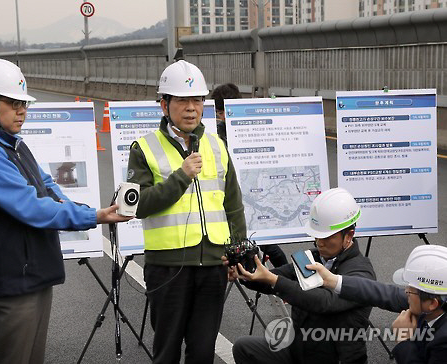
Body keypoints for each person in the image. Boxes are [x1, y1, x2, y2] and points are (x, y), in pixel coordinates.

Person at [0, 58, 132, 364]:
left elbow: (46, 186)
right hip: (6, 283)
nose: (22, 110)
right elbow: (31, 207)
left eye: (24, 103)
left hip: (26, 276)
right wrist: (93, 217)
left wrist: (82, 209)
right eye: (13, 103)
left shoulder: (10, 142)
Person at [127, 60, 246, 364]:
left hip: (213, 265)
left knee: (203, 352)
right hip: (167, 267)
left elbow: (232, 205)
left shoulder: (217, 145)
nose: (191, 108)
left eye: (197, 100)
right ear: (164, 105)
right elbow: (137, 206)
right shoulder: (144, 148)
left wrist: (237, 255)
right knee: (166, 351)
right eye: (182, 100)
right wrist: (181, 176)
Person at [227, 187, 376, 364]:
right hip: (299, 352)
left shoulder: (361, 273)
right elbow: (269, 278)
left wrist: (275, 280)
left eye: (326, 238)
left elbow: (323, 302)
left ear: (349, 236)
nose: (319, 243)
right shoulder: (312, 257)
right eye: (316, 237)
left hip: (336, 359)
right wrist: (245, 270)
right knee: (244, 348)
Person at [307, 244, 447, 364]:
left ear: (432, 304)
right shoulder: (433, 303)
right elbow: (382, 293)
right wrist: (332, 280)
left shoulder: (443, 342)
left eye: (411, 291)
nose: (406, 291)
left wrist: (404, 341)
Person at [211, 82, 287, 268]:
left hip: (241, 202)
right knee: (269, 247)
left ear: (220, 111)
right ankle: (286, 283)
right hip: (250, 200)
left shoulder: (215, 135)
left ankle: (283, 282)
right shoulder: (250, 127)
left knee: (261, 248)